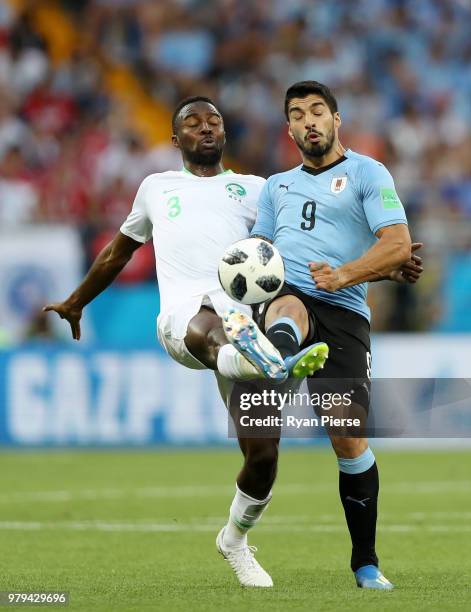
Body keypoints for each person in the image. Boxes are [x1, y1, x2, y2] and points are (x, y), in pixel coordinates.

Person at [43, 96, 329, 587]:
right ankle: (258, 359)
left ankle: (234, 539)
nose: (205, 128)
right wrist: (76, 301)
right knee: (210, 325)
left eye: (214, 121)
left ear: (224, 133)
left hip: (246, 318)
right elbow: (117, 252)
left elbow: (299, 245)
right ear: (176, 139)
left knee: (262, 458)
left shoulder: (255, 190)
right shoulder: (156, 188)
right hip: (185, 320)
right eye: (192, 124)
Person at [226, 80, 422, 591]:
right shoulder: (276, 186)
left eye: (317, 111)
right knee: (289, 301)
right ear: (289, 128)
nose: (308, 120)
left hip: (345, 312)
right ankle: (281, 355)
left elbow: (398, 243)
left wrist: (348, 274)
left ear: (337, 120)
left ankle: (366, 564)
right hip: (289, 297)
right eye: (297, 114)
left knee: (350, 441)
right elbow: (261, 255)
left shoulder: (367, 172)